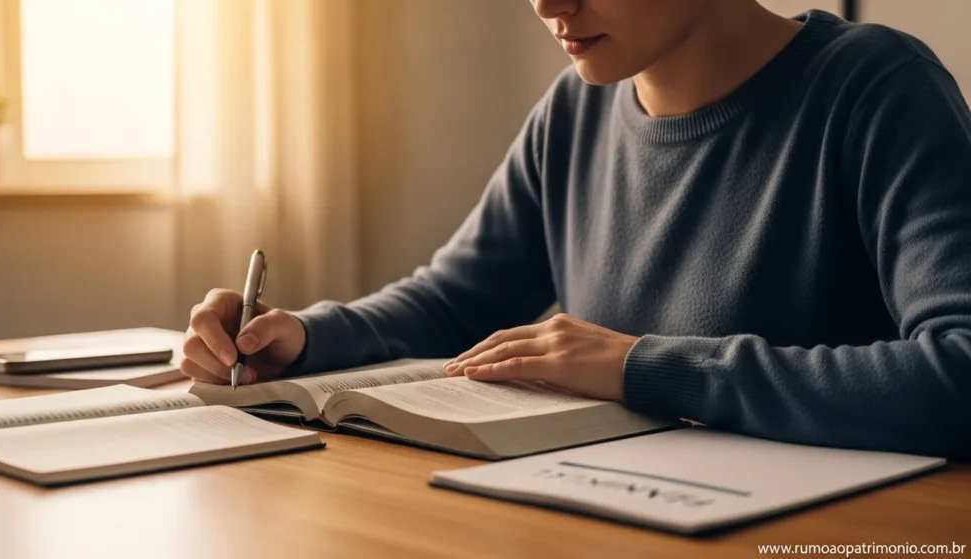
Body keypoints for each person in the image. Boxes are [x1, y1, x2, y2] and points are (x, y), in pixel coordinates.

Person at [182, 0, 971, 460]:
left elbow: (959, 371)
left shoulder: (876, 88)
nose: (549, 2)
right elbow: (454, 300)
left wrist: (646, 366)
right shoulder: (574, 111)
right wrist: (302, 337)